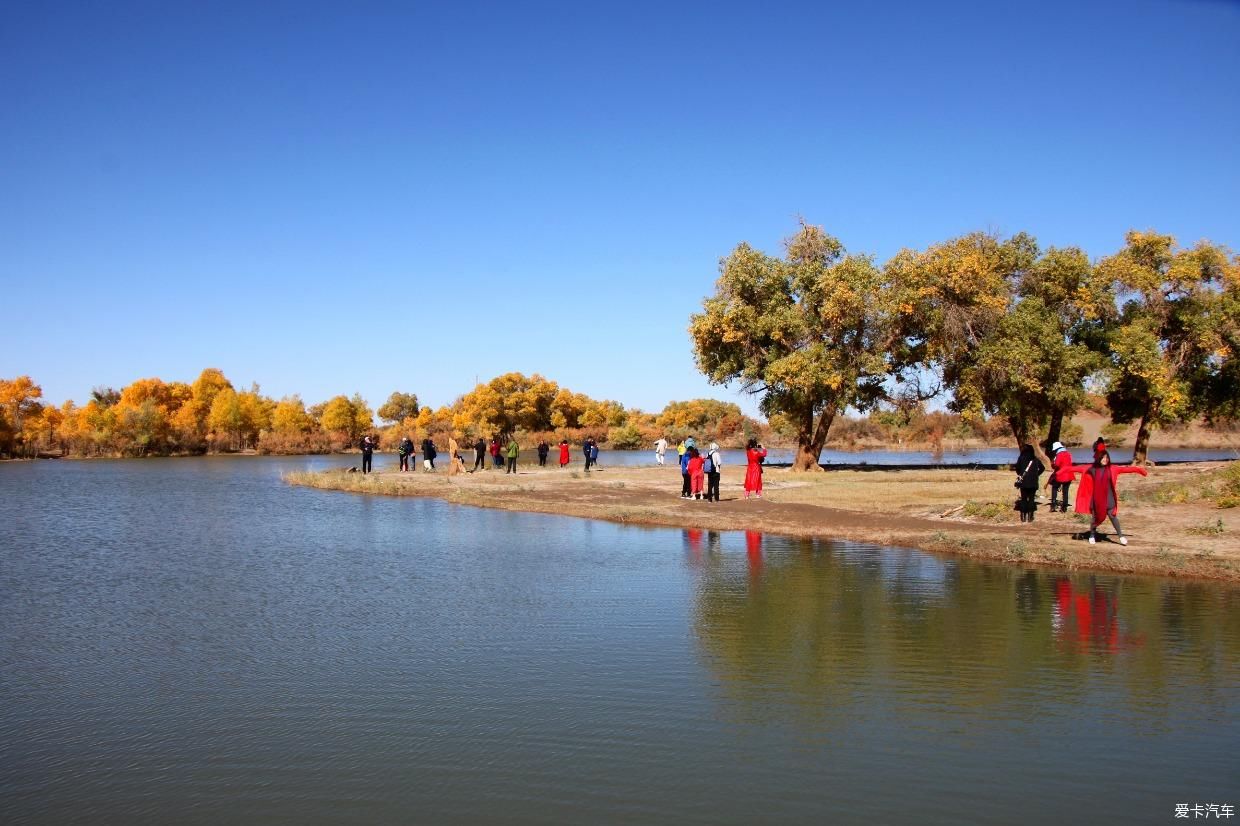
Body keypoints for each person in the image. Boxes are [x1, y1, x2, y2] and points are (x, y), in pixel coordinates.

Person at [1071, 450, 1149, 545]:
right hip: (1096, 498)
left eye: (1106, 458)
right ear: (1099, 459)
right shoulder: (1093, 468)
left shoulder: (1113, 468)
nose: (1105, 460)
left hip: (1109, 498)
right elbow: (1075, 469)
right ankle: (1092, 535)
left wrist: (1140, 470)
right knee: (1095, 517)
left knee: (1112, 516)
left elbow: (1127, 469)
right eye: (1103, 458)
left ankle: (1121, 536)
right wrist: (1060, 472)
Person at [1014, 444, 1045, 523]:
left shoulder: (1021, 458)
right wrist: (1036, 474)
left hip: (1023, 482)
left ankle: (1023, 517)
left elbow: (1017, 469)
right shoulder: (1035, 459)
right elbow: (1042, 468)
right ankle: (1030, 517)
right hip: (1033, 482)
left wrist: (1021, 474)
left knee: (1024, 499)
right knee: (1031, 499)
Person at [1046, 440, 1074, 512]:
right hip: (1069, 474)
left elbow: (1057, 465)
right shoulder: (1068, 453)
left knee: (1054, 488)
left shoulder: (1059, 454)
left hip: (1061, 475)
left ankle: (1053, 505)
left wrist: (1053, 464)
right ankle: (1064, 507)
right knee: (1065, 491)